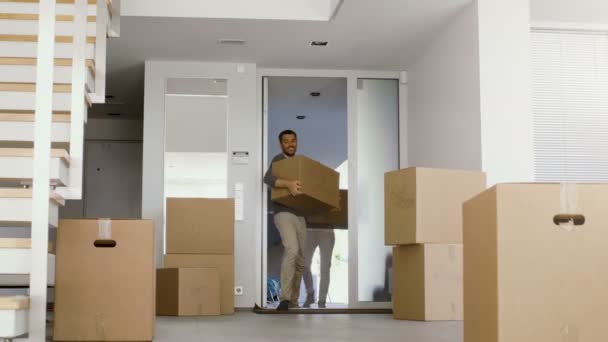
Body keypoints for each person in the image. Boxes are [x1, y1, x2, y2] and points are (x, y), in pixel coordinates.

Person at [263, 129, 306, 311]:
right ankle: (285, 299)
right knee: (292, 249)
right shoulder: (278, 160)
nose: (290, 144)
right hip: (283, 213)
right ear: (281, 144)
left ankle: (294, 301)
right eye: (286, 141)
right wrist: (288, 184)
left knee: (301, 260)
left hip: (301, 215)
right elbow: (268, 178)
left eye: (293, 140)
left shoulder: (301, 164)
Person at [302, 228, 335, 308]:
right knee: (304, 264)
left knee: (325, 267)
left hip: (327, 230)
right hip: (309, 230)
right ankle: (310, 293)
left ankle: (322, 300)